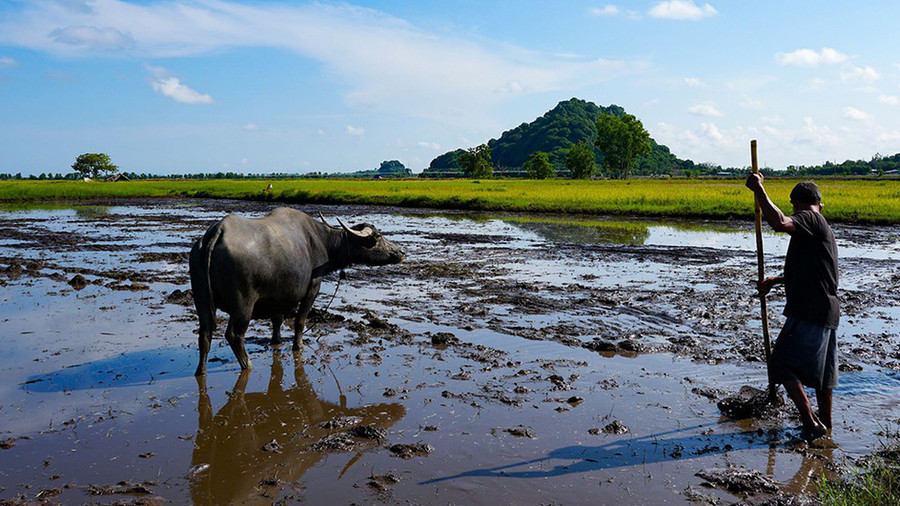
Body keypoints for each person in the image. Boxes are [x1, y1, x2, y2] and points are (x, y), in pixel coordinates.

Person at [745, 174, 839, 442]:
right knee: (822, 377)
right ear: (820, 203)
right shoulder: (820, 225)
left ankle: (811, 423)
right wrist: (777, 280)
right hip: (826, 308)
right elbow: (817, 272)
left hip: (810, 309)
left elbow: (778, 222)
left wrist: (759, 190)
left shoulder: (809, 218)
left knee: (782, 364)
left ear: (796, 203)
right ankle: (826, 427)